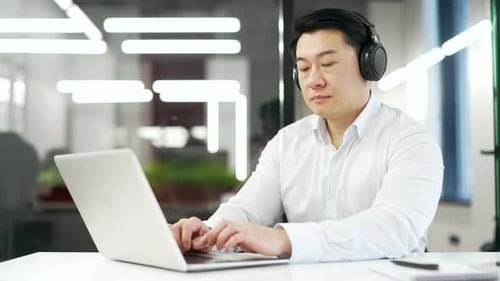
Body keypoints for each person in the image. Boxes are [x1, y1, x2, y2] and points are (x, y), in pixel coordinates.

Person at [171, 8, 443, 263]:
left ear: (369, 64)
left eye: (327, 64)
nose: (313, 80)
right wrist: (206, 233)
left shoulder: (410, 140)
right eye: (303, 68)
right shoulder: (287, 142)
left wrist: (285, 240)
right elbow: (247, 209)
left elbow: (395, 228)